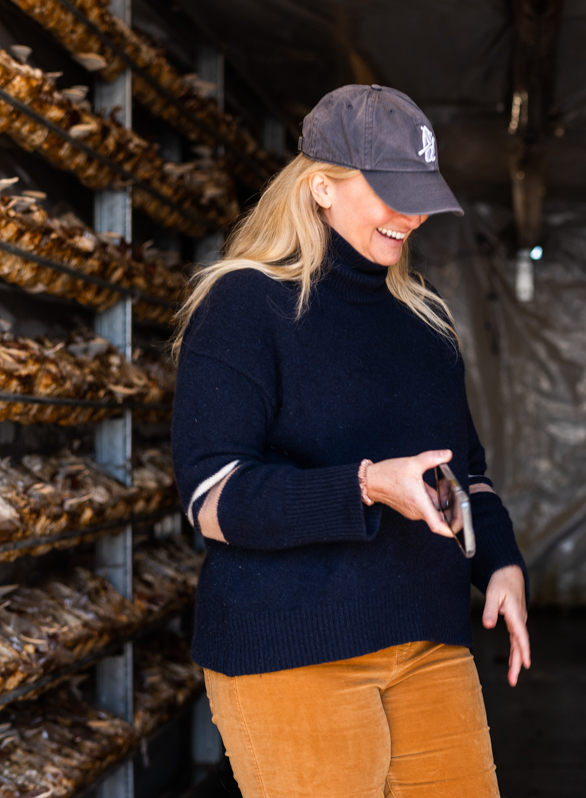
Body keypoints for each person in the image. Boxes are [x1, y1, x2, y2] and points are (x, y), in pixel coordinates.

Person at [171, 84, 529, 798]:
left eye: (422, 195)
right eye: (393, 193)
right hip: (292, 649)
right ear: (321, 188)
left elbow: (465, 475)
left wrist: (500, 563)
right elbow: (212, 499)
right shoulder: (245, 304)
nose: (413, 216)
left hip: (428, 640)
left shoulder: (426, 322)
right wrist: (364, 486)